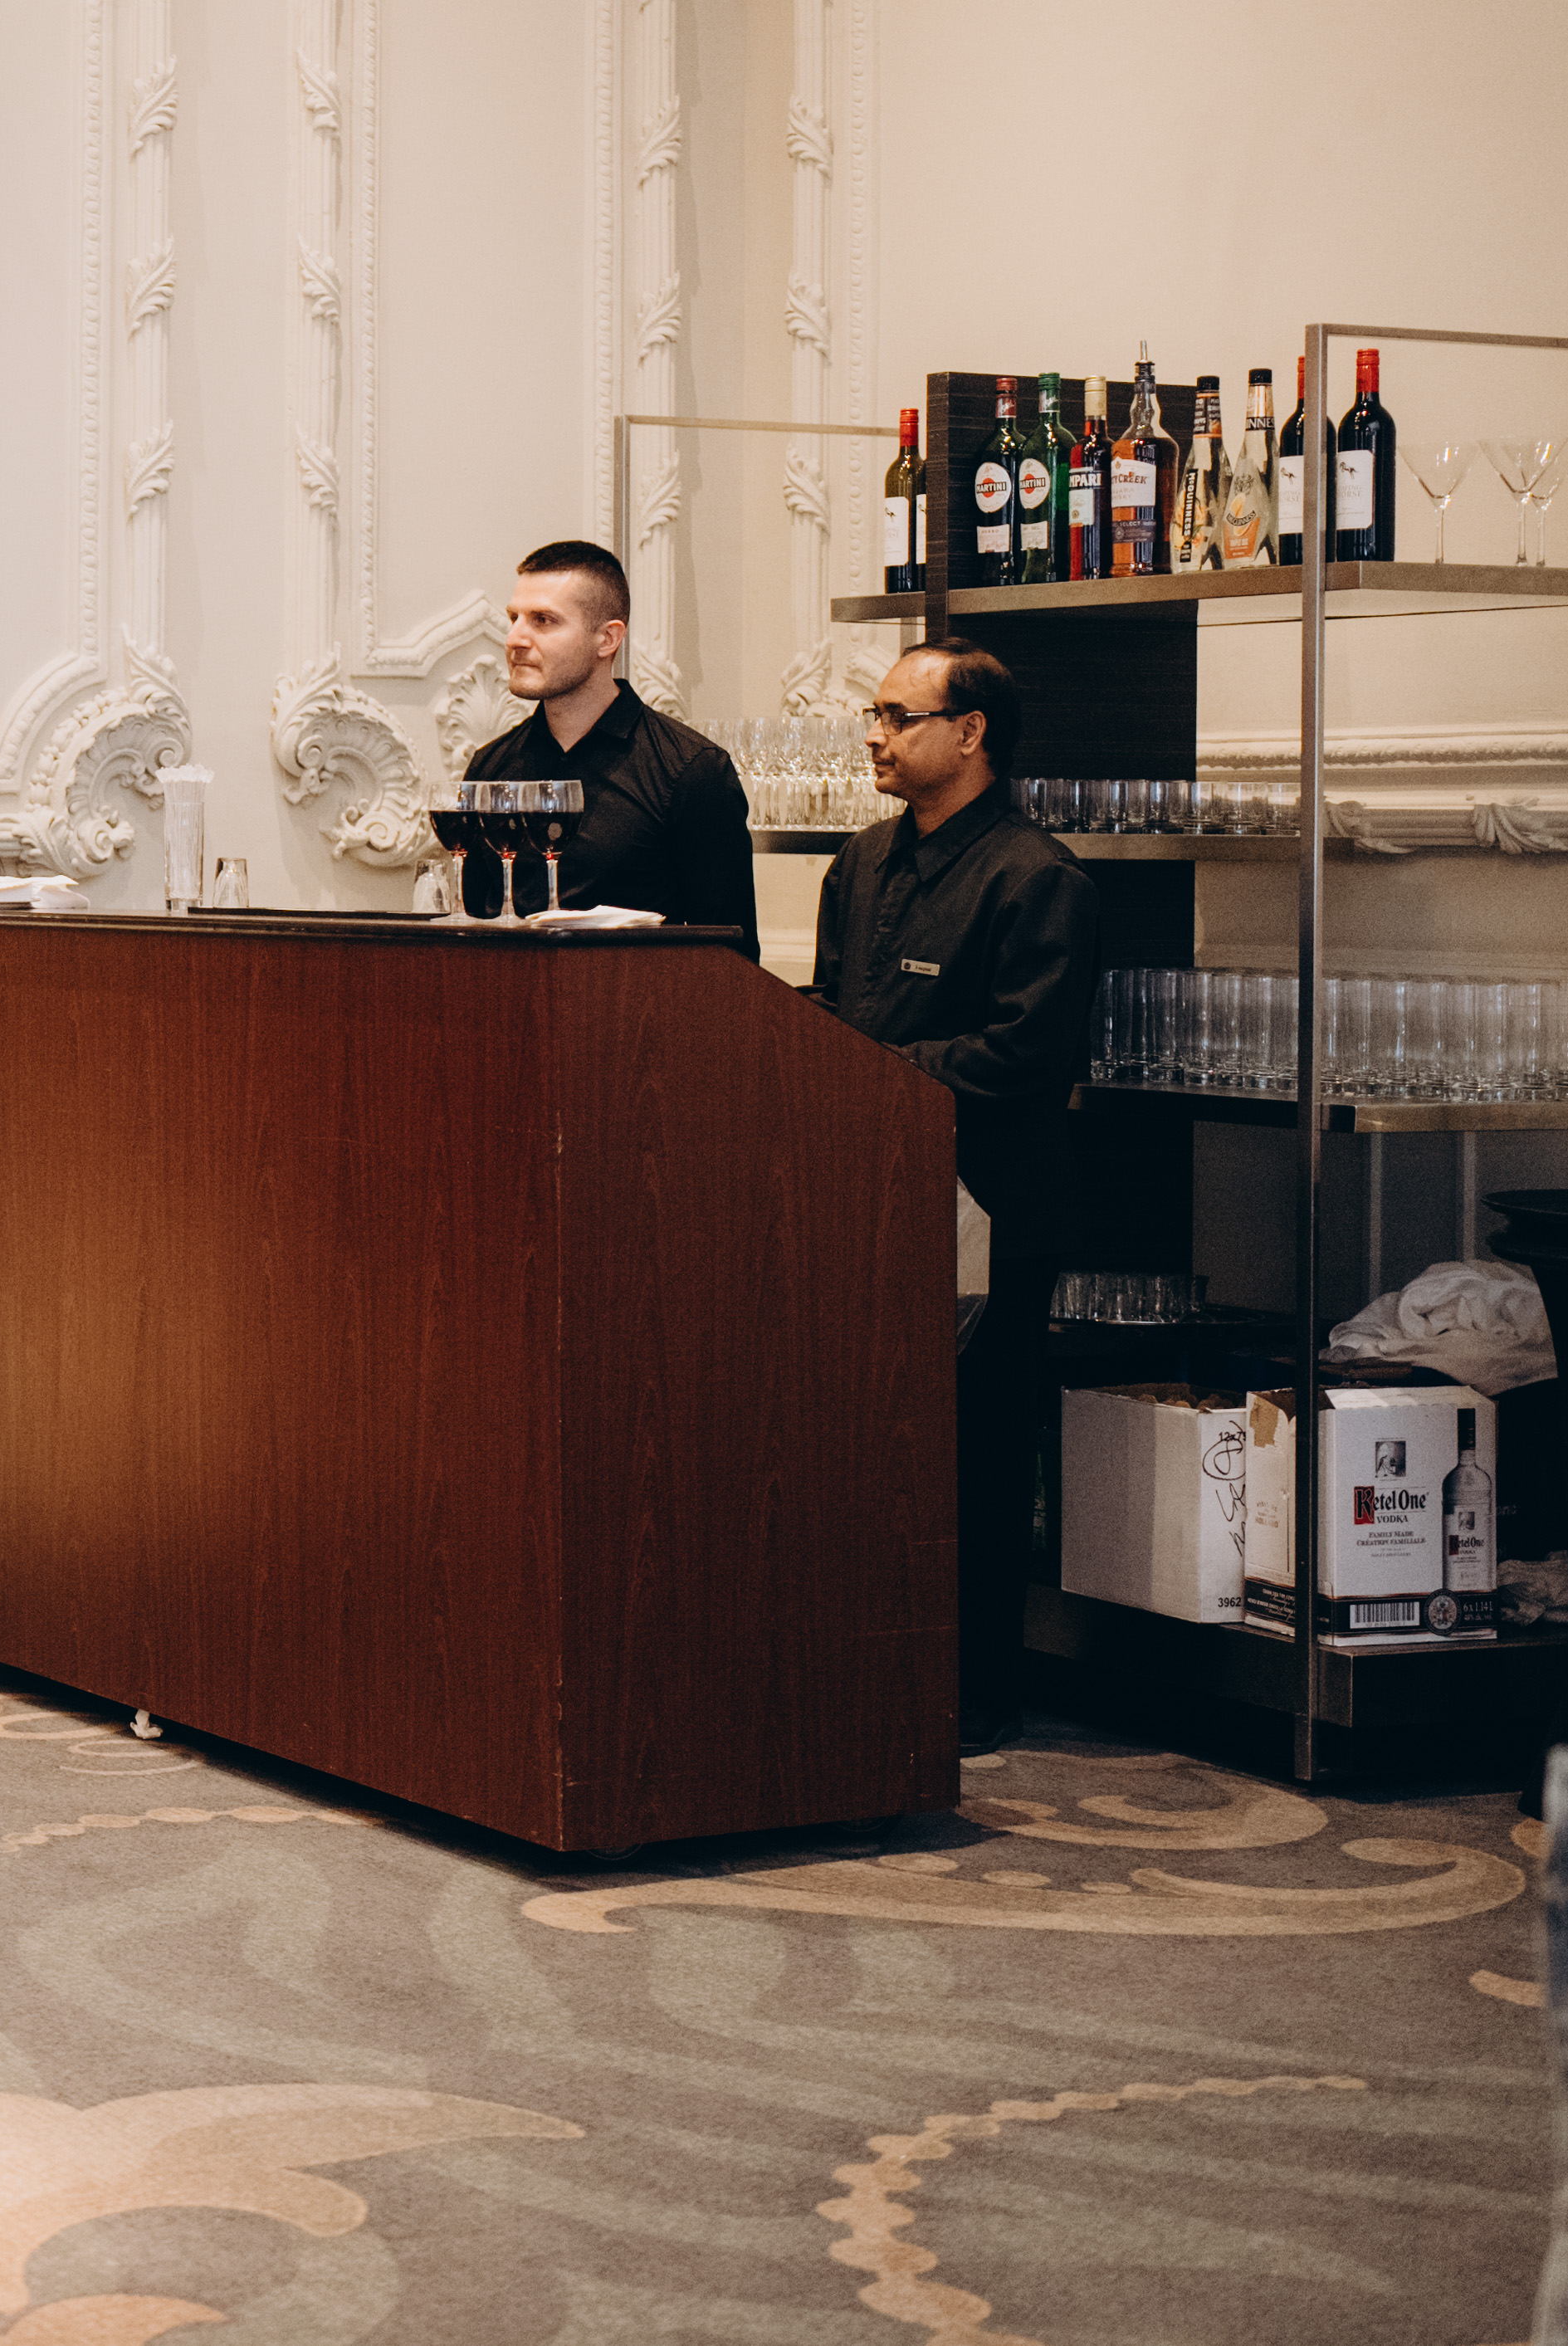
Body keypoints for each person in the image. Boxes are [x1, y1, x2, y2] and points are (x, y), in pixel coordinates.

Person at [809, 642, 1097, 1745]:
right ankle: (879, 1667)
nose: (873, 734)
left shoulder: (1036, 876)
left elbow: (1026, 1054)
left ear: (969, 731)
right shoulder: (861, 860)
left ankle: (975, 1690)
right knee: (869, 1443)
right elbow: (829, 1002)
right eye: (873, 714)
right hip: (868, 1194)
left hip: (993, 1204)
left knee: (977, 1451)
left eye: (897, 715)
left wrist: (870, 1071)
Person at [462, 537, 762, 954]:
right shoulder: (490, 767)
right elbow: (468, 935)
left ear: (607, 639)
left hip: (636, 995)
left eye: (543, 620)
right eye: (514, 618)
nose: (515, 638)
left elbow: (731, 957)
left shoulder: (692, 771)